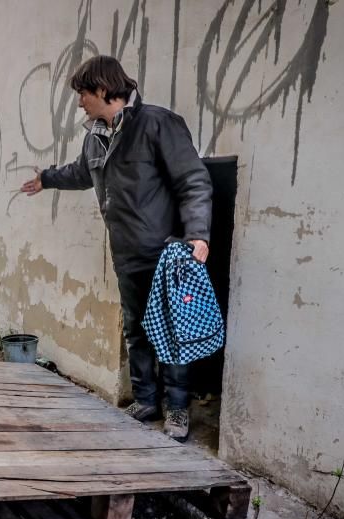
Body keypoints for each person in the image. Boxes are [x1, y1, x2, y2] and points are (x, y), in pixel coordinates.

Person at [20, 55, 213, 441]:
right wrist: (47, 179)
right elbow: (81, 172)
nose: (79, 103)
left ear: (103, 90)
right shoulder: (95, 136)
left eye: (82, 94)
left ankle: (176, 407)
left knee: (172, 331)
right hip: (126, 254)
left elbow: (193, 180)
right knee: (136, 328)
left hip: (168, 254)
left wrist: (198, 234)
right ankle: (146, 399)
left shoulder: (157, 123)